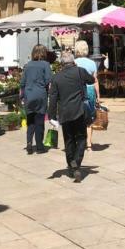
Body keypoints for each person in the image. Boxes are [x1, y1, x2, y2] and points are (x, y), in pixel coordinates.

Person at [47, 50, 94, 182]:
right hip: (79, 111)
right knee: (81, 138)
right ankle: (77, 162)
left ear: (61, 63)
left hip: (65, 113)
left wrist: (51, 116)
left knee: (69, 140)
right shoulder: (80, 71)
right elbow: (91, 80)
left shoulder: (56, 77)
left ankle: (72, 165)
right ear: (73, 61)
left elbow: (52, 98)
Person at [20, 44, 53, 154]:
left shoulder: (27, 65)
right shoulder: (46, 64)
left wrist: (21, 97)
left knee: (30, 121)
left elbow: (22, 83)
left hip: (28, 96)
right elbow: (49, 81)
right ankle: (39, 146)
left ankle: (29, 142)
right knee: (39, 121)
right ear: (44, 53)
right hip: (40, 95)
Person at [74, 40, 99, 150]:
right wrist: (98, 95)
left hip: (78, 92)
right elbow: (95, 81)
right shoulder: (92, 63)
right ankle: (89, 143)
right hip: (90, 91)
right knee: (90, 117)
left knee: (79, 117)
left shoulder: (74, 63)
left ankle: (81, 141)